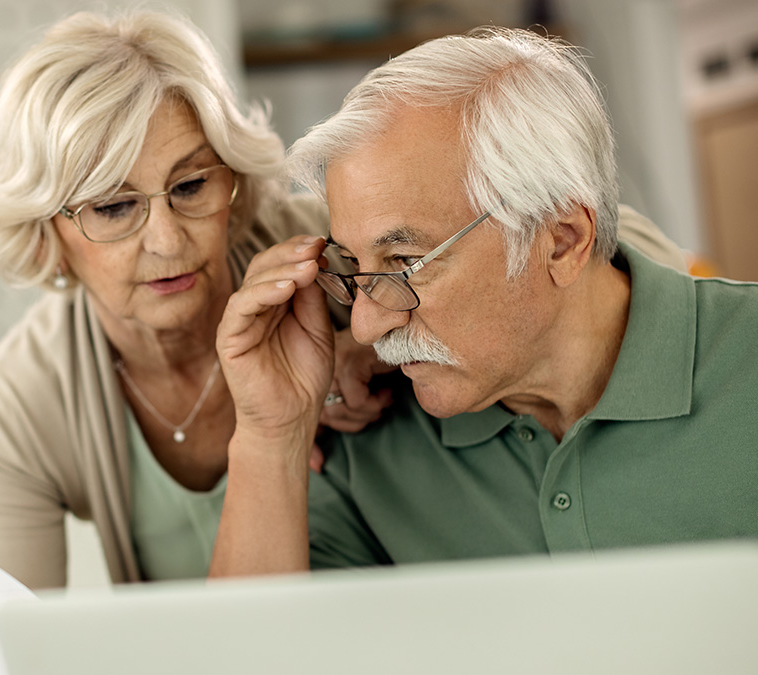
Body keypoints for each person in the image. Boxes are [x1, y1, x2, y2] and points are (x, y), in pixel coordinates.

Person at [0, 10, 391, 675]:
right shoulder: (23, 396)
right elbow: (0, 653)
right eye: (113, 206)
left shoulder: (336, 262)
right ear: (46, 230)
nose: (168, 240)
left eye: (192, 185)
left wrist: (384, 337)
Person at [210, 26, 758, 577]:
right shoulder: (365, 438)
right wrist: (270, 433)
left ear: (562, 241)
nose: (366, 325)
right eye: (353, 266)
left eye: (404, 262)